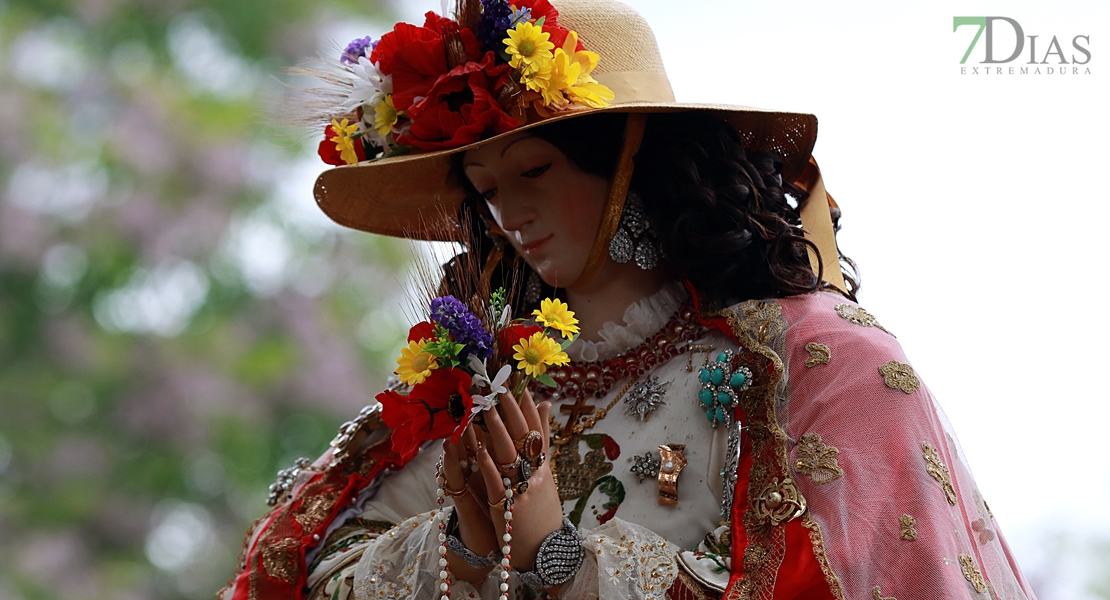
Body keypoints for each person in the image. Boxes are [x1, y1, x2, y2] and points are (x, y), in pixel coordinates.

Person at [221, 1, 1036, 598]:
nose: (511, 215)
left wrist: (553, 553)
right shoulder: (479, 395)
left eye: (536, 171)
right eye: (486, 189)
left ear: (633, 161)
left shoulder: (810, 365)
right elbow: (306, 568)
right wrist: (464, 546)